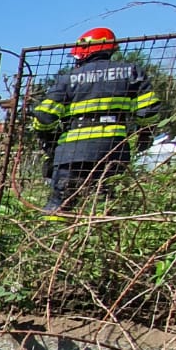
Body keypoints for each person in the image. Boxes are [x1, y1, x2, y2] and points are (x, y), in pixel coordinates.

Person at [31, 28, 160, 213]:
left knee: (60, 206)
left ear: (84, 51)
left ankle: (55, 237)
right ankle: (102, 235)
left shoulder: (68, 79)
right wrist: (145, 135)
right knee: (106, 205)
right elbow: (148, 110)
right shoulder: (132, 72)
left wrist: (47, 139)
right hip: (114, 151)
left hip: (72, 153)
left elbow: (44, 115)